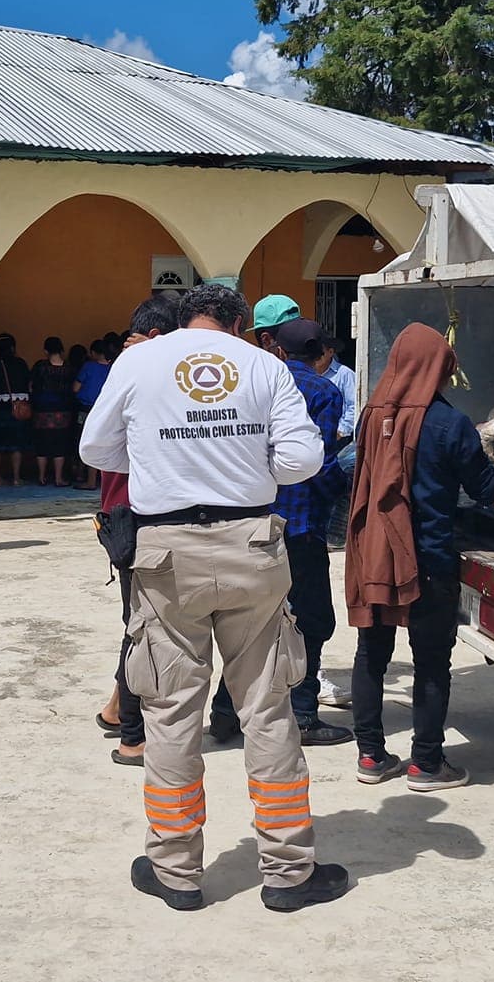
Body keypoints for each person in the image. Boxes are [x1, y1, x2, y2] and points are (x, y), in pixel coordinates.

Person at [80, 283, 349, 914]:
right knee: (267, 707)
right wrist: (245, 464)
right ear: (235, 323)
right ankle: (287, 872)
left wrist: (161, 459)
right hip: (251, 544)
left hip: (165, 551)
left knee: (172, 711)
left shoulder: (140, 360)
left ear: (181, 321)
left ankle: (175, 870)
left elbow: (95, 448)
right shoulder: (263, 364)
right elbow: (303, 460)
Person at [345, 323, 494, 790]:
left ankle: (371, 756)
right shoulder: (449, 423)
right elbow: (485, 489)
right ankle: (425, 763)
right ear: (439, 368)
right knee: (431, 661)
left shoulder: (370, 415)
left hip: (374, 555)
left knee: (371, 654)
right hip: (428, 558)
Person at [208, 316, 352, 746]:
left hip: (252, 518)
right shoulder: (323, 391)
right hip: (302, 523)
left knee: (251, 622)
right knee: (311, 619)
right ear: (321, 352)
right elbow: (317, 461)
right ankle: (304, 713)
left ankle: (225, 712)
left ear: (280, 349)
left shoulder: (253, 385)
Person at [97, 294, 178, 768]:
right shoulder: (141, 374)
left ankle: (115, 709)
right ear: (154, 338)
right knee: (143, 628)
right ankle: (133, 736)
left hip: (121, 510)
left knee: (138, 621)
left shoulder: (129, 369)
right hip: (133, 514)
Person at [315, 342, 360, 707]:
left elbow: (349, 420)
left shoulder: (343, 379)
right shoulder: (319, 389)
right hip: (305, 516)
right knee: (310, 614)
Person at [0, 334, 33, 488]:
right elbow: (28, 383)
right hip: (17, 409)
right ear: (13, 347)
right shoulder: (21, 364)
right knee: (16, 444)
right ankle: (17, 478)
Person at [29, 337, 75, 486]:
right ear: (62, 349)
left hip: (41, 411)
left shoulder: (40, 366)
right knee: (60, 446)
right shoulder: (69, 368)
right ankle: (58, 478)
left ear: (45, 350)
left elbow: (31, 385)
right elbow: (73, 388)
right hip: (62, 412)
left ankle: (41, 477)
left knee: (42, 444)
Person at [72, 342, 113, 492]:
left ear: (94, 353)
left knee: (84, 441)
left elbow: (75, 388)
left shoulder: (89, 367)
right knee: (101, 442)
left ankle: (84, 478)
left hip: (86, 409)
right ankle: (96, 479)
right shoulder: (112, 368)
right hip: (105, 410)